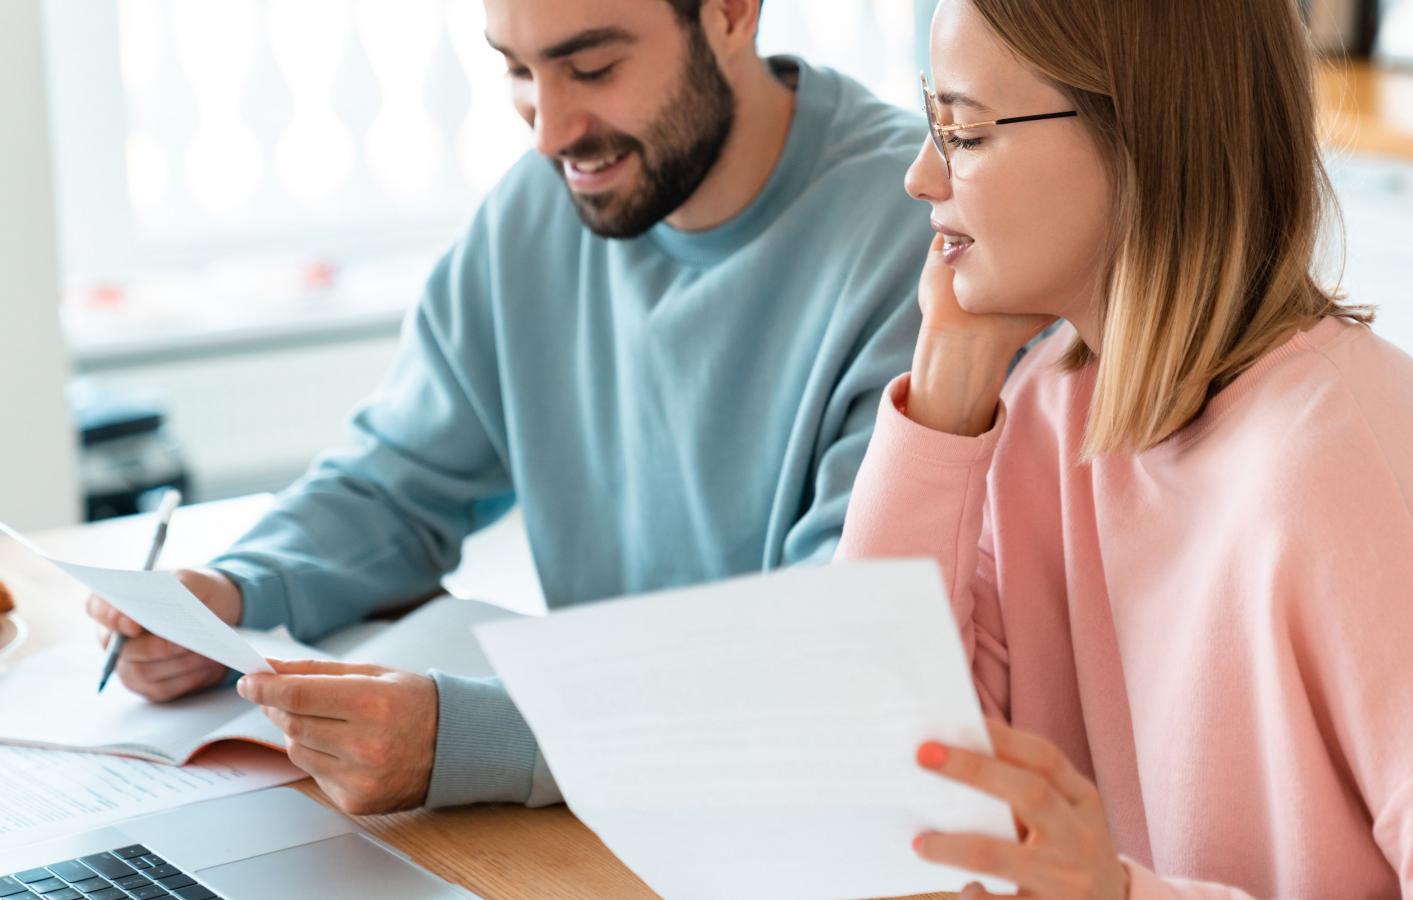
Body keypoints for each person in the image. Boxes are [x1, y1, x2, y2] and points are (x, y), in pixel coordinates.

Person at [87, 0, 931, 815]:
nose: (549, 130)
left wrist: (478, 735)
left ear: (732, 12)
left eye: (592, 66)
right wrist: (236, 592)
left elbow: (831, 648)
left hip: (794, 812)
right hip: (591, 807)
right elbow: (394, 486)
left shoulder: (918, 228)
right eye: (518, 70)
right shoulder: (543, 205)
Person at [836, 0, 1413, 896]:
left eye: (962, 131)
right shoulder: (1045, 415)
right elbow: (882, 776)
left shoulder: (1343, 467)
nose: (921, 176)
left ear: (1139, 140)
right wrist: (948, 392)